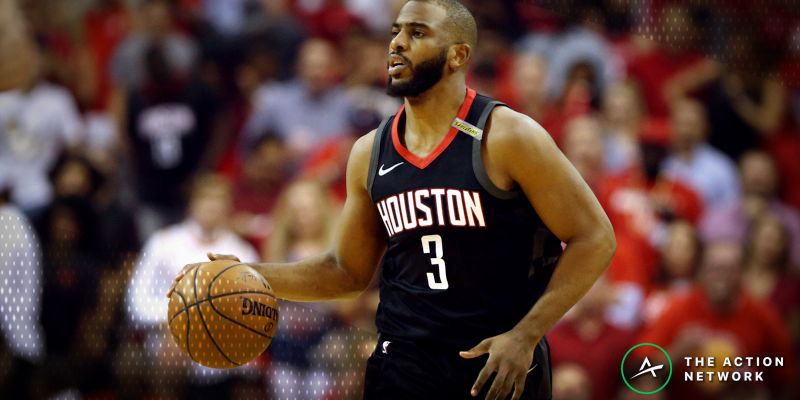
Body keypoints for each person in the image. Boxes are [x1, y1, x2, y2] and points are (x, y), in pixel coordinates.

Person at [170, 1, 616, 399]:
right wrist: (250, 275)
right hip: (404, 362)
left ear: (458, 55)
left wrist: (527, 335)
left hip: (495, 362)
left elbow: (594, 237)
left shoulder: (507, 135)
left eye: (417, 33)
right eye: (395, 32)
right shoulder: (370, 152)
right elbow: (346, 271)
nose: (397, 43)